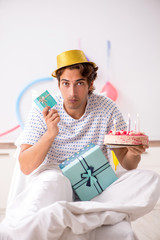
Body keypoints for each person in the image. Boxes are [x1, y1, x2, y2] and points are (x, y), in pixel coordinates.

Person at [1, 50, 160, 240]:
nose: (72, 92)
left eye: (79, 83)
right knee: (54, 181)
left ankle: (65, 214)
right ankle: (87, 214)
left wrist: (134, 153)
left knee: (150, 179)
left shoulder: (107, 108)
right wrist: (50, 134)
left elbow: (127, 164)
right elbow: (26, 166)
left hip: (96, 184)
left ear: (90, 84)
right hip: (57, 176)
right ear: (59, 84)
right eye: (66, 84)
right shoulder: (44, 108)